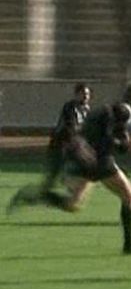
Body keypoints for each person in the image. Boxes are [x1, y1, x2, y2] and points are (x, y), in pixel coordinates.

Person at [8, 81, 131, 255]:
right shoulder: (124, 111)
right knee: (130, 196)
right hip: (98, 160)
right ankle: (130, 245)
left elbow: (106, 137)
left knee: (73, 204)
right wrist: (125, 143)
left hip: (86, 157)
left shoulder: (115, 110)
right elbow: (107, 140)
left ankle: (36, 195)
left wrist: (123, 144)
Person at [7, 83, 92, 212]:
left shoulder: (86, 109)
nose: (86, 96)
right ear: (76, 95)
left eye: (87, 94)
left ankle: (66, 189)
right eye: (83, 94)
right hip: (59, 147)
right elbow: (71, 128)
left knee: (77, 173)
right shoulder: (70, 107)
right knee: (49, 184)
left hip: (72, 148)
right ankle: (27, 196)